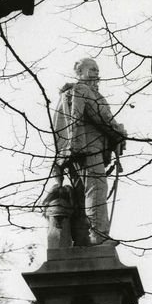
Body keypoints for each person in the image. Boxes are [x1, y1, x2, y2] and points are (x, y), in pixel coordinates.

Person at [52, 58, 126, 243]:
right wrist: (120, 131)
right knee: (96, 188)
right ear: (80, 73)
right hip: (88, 150)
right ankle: (99, 236)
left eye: (97, 70)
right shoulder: (83, 90)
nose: (96, 73)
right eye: (92, 69)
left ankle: (83, 239)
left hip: (74, 152)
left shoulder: (68, 94)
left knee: (81, 194)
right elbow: (102, 118)